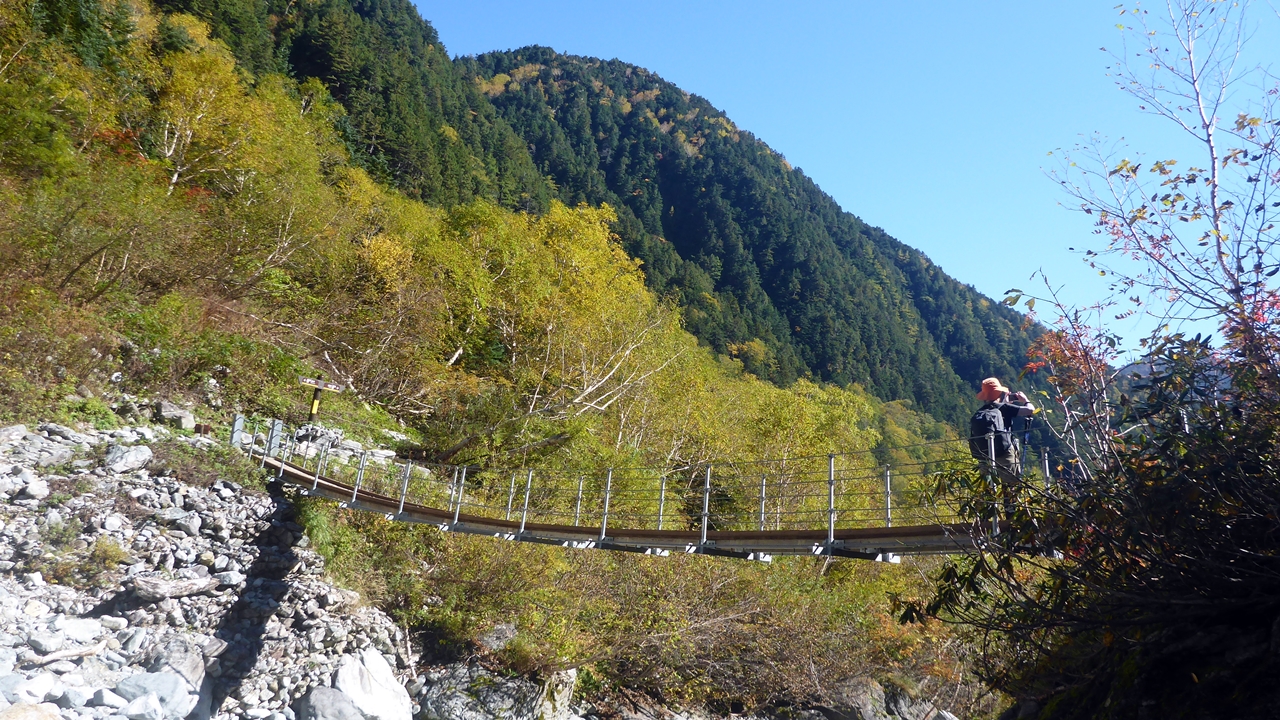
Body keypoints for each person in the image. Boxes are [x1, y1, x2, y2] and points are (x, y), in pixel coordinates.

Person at [969, 377, 1036, 484]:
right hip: (1004, 453)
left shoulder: (980, 412)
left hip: (984, 456)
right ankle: (1009, 500)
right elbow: (1030, 410)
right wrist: (1025, 400)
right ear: (999, 393)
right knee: (1011, 486)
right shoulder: (1004, 407)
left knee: (989, 488)